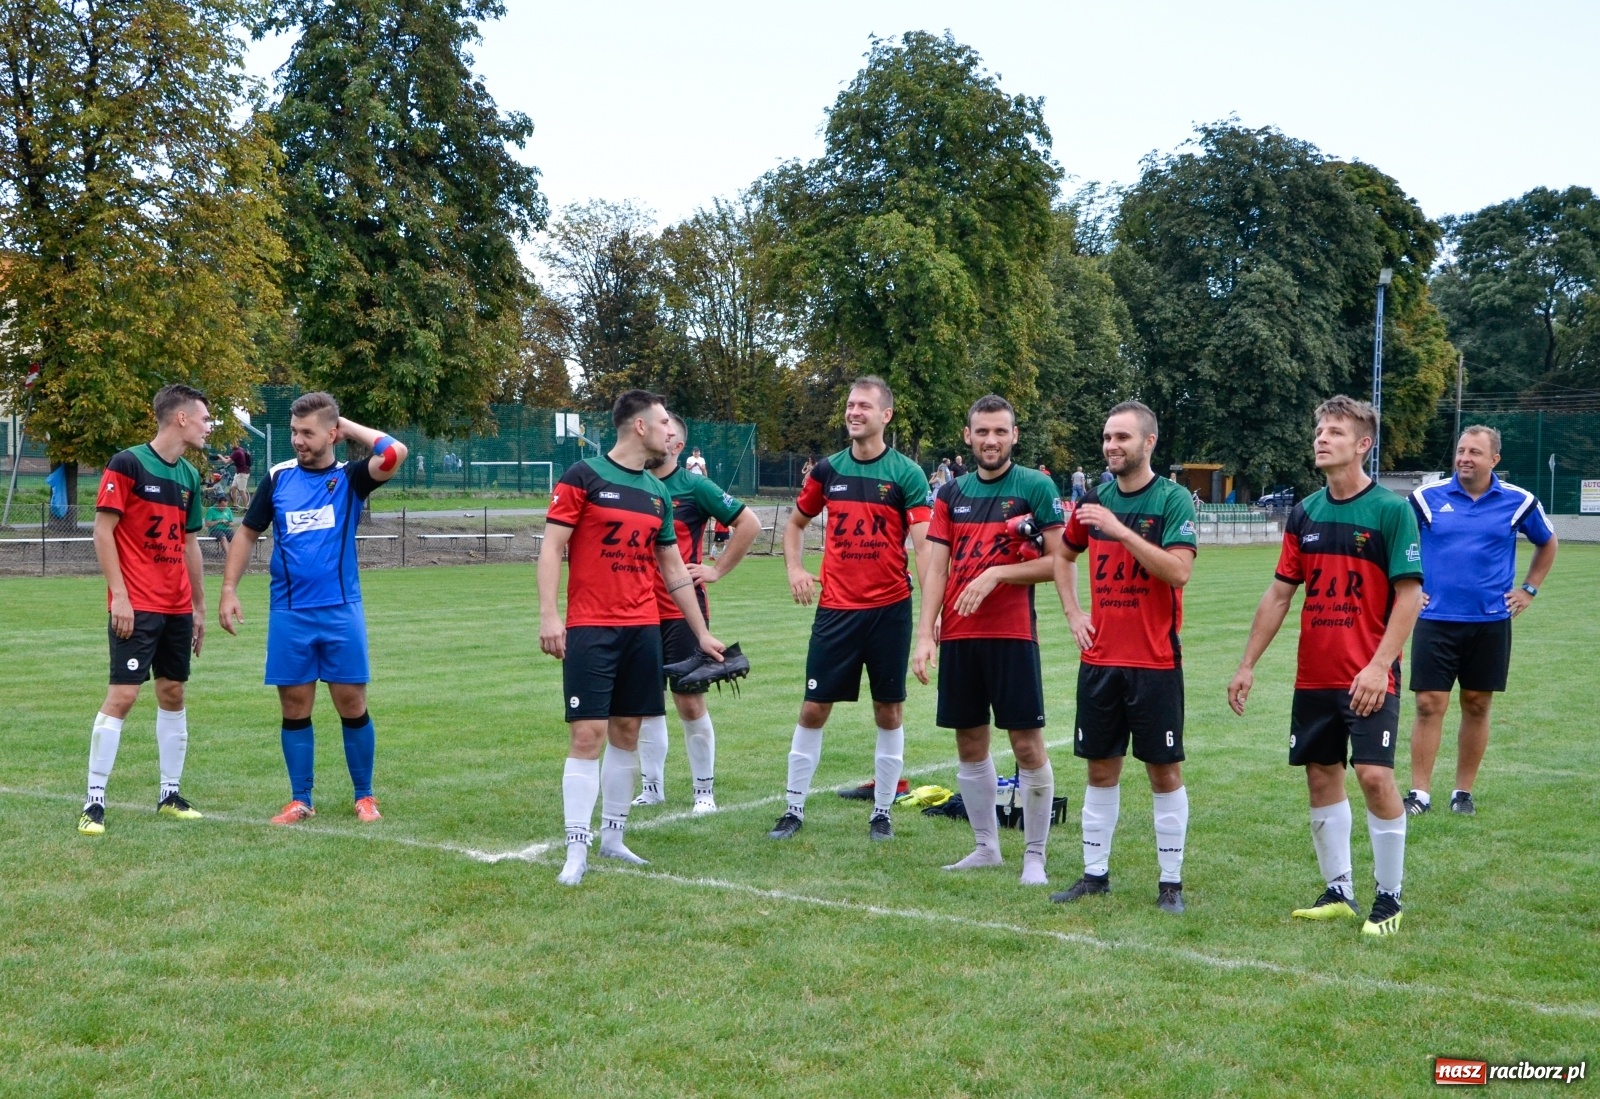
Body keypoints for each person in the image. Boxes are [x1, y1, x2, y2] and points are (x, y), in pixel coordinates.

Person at [1228, 395, 1422, 937]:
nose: (1321, 438)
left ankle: (1389, 900)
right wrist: (1247, 664)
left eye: (1335, 431)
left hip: (1369, 672)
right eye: (1319, 429)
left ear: (1362, 444)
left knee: (1375, 776)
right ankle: (1339, 890)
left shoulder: (1390, 510)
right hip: (1315, 673)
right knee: (1321, 775)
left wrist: (1380, 666)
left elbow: (1409, 597)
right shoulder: (1305, 512)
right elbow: (1279, 595)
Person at [538, 390, 724, 886]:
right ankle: (576, 851)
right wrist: (549, 615)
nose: (672, 433)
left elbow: (673, 569)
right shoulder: (583, 477)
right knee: (586, 735)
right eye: (664, 423)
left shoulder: (659, 492)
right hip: (591, 627)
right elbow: (553, 548)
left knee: (627, 733)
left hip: (643, 628)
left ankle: (614, 838)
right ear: (639, 427)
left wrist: (701, 633)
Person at [218, 391, 408, 826]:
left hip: (341, 610)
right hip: (290, 613)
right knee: (294, 706)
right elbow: (247, 534)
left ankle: (365, 797)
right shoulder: (278, 478)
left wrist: (346, 423)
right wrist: (229, 588)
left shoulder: (352, 478)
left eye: (308, 432)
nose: (298, 441)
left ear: (332, 435)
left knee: (351, 702)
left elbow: (394, 451)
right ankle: (300, 799)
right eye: (294, 432)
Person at [1050, 401, 1198, 914]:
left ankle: (1170, 884)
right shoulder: (1094, 500)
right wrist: (1073, 612)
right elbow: (1063, 556)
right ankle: (1095, 876)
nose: (1112, 446)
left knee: (1164, 772)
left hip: (1155, 662)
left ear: (1148, 442)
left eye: (1122, 438)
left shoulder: (1173, 500)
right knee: (1099, 770)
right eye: (1107, 437)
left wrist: (1121, 530)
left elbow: (1178, 572)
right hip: (1101, 659)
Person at [770, 376, 932, 842]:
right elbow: (795, 524)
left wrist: (930, 615)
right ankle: (793, 810)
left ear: (886, 416)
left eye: (864, 405)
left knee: (889, 710)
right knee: (814, 707)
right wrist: (796, 569)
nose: (853, 412)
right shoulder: (827, 471)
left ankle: (882, 811)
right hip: (836, 610)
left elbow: (923, 549)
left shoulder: (907, 474)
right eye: (849, 405)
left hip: (889, 610)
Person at [912, 395, 1066, 884]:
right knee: (970, 742)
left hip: (1013, 634)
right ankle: (985, 847)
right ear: (968, 436)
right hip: (960, 635)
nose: (991, 440)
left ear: (1014, 435)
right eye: (982, 432)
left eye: (1000, 431)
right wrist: (924, 633)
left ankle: (1035, 857)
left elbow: (1060, 561)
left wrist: (998, 573)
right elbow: (936, 566)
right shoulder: (951, 493)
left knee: (1026, 744)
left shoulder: (1036, 487)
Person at [1404, 426, 1558, 817]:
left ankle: (1462, 793)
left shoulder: (1518, 501)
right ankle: (1419, 794)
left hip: (1489, 621)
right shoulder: (1425, 498)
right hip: (1434, 618)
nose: (1464, 458)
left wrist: (1529, 589)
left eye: (1474, 452)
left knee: (1476, 704)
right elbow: (1396, 541)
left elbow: (1547, 541)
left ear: (1494, 460)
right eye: (1460, 450)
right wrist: (1406, 589)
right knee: (1428, 703)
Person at [79, 384, 212, 836]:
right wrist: (119, 595)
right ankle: (94, 802)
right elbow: (102, 531)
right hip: (137, 606)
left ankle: (169, 794)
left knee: (173, 693)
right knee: (124, 696)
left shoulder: (190, 476)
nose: (208, 427)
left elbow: (190, 543)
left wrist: (198, 607)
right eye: (204, 419)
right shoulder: (128, 463)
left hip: (176, 608)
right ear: (180, 419)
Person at [632, 411, 762, 813]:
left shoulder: (693, 485)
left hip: (680, 611)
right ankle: (652, 788)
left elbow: (749, 523)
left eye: (667, 431)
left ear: (676, 444)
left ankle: (704, 792)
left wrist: (717, 569)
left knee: (689, 700)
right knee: (644, 702)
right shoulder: (632, 482)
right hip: (635, 609)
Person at [203, 485, 235, 559]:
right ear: (218, 504)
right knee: (223, 537)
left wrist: (228, 523)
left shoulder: (228, 510)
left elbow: (233, 523)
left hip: (226, 528)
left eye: (225, 506)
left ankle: (235, 554)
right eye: (222, 506)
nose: (224, 508)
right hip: (215, 530)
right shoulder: (211, 510)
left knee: (234, 538)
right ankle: (229, 556)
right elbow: (207, 524)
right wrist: (219, 521)